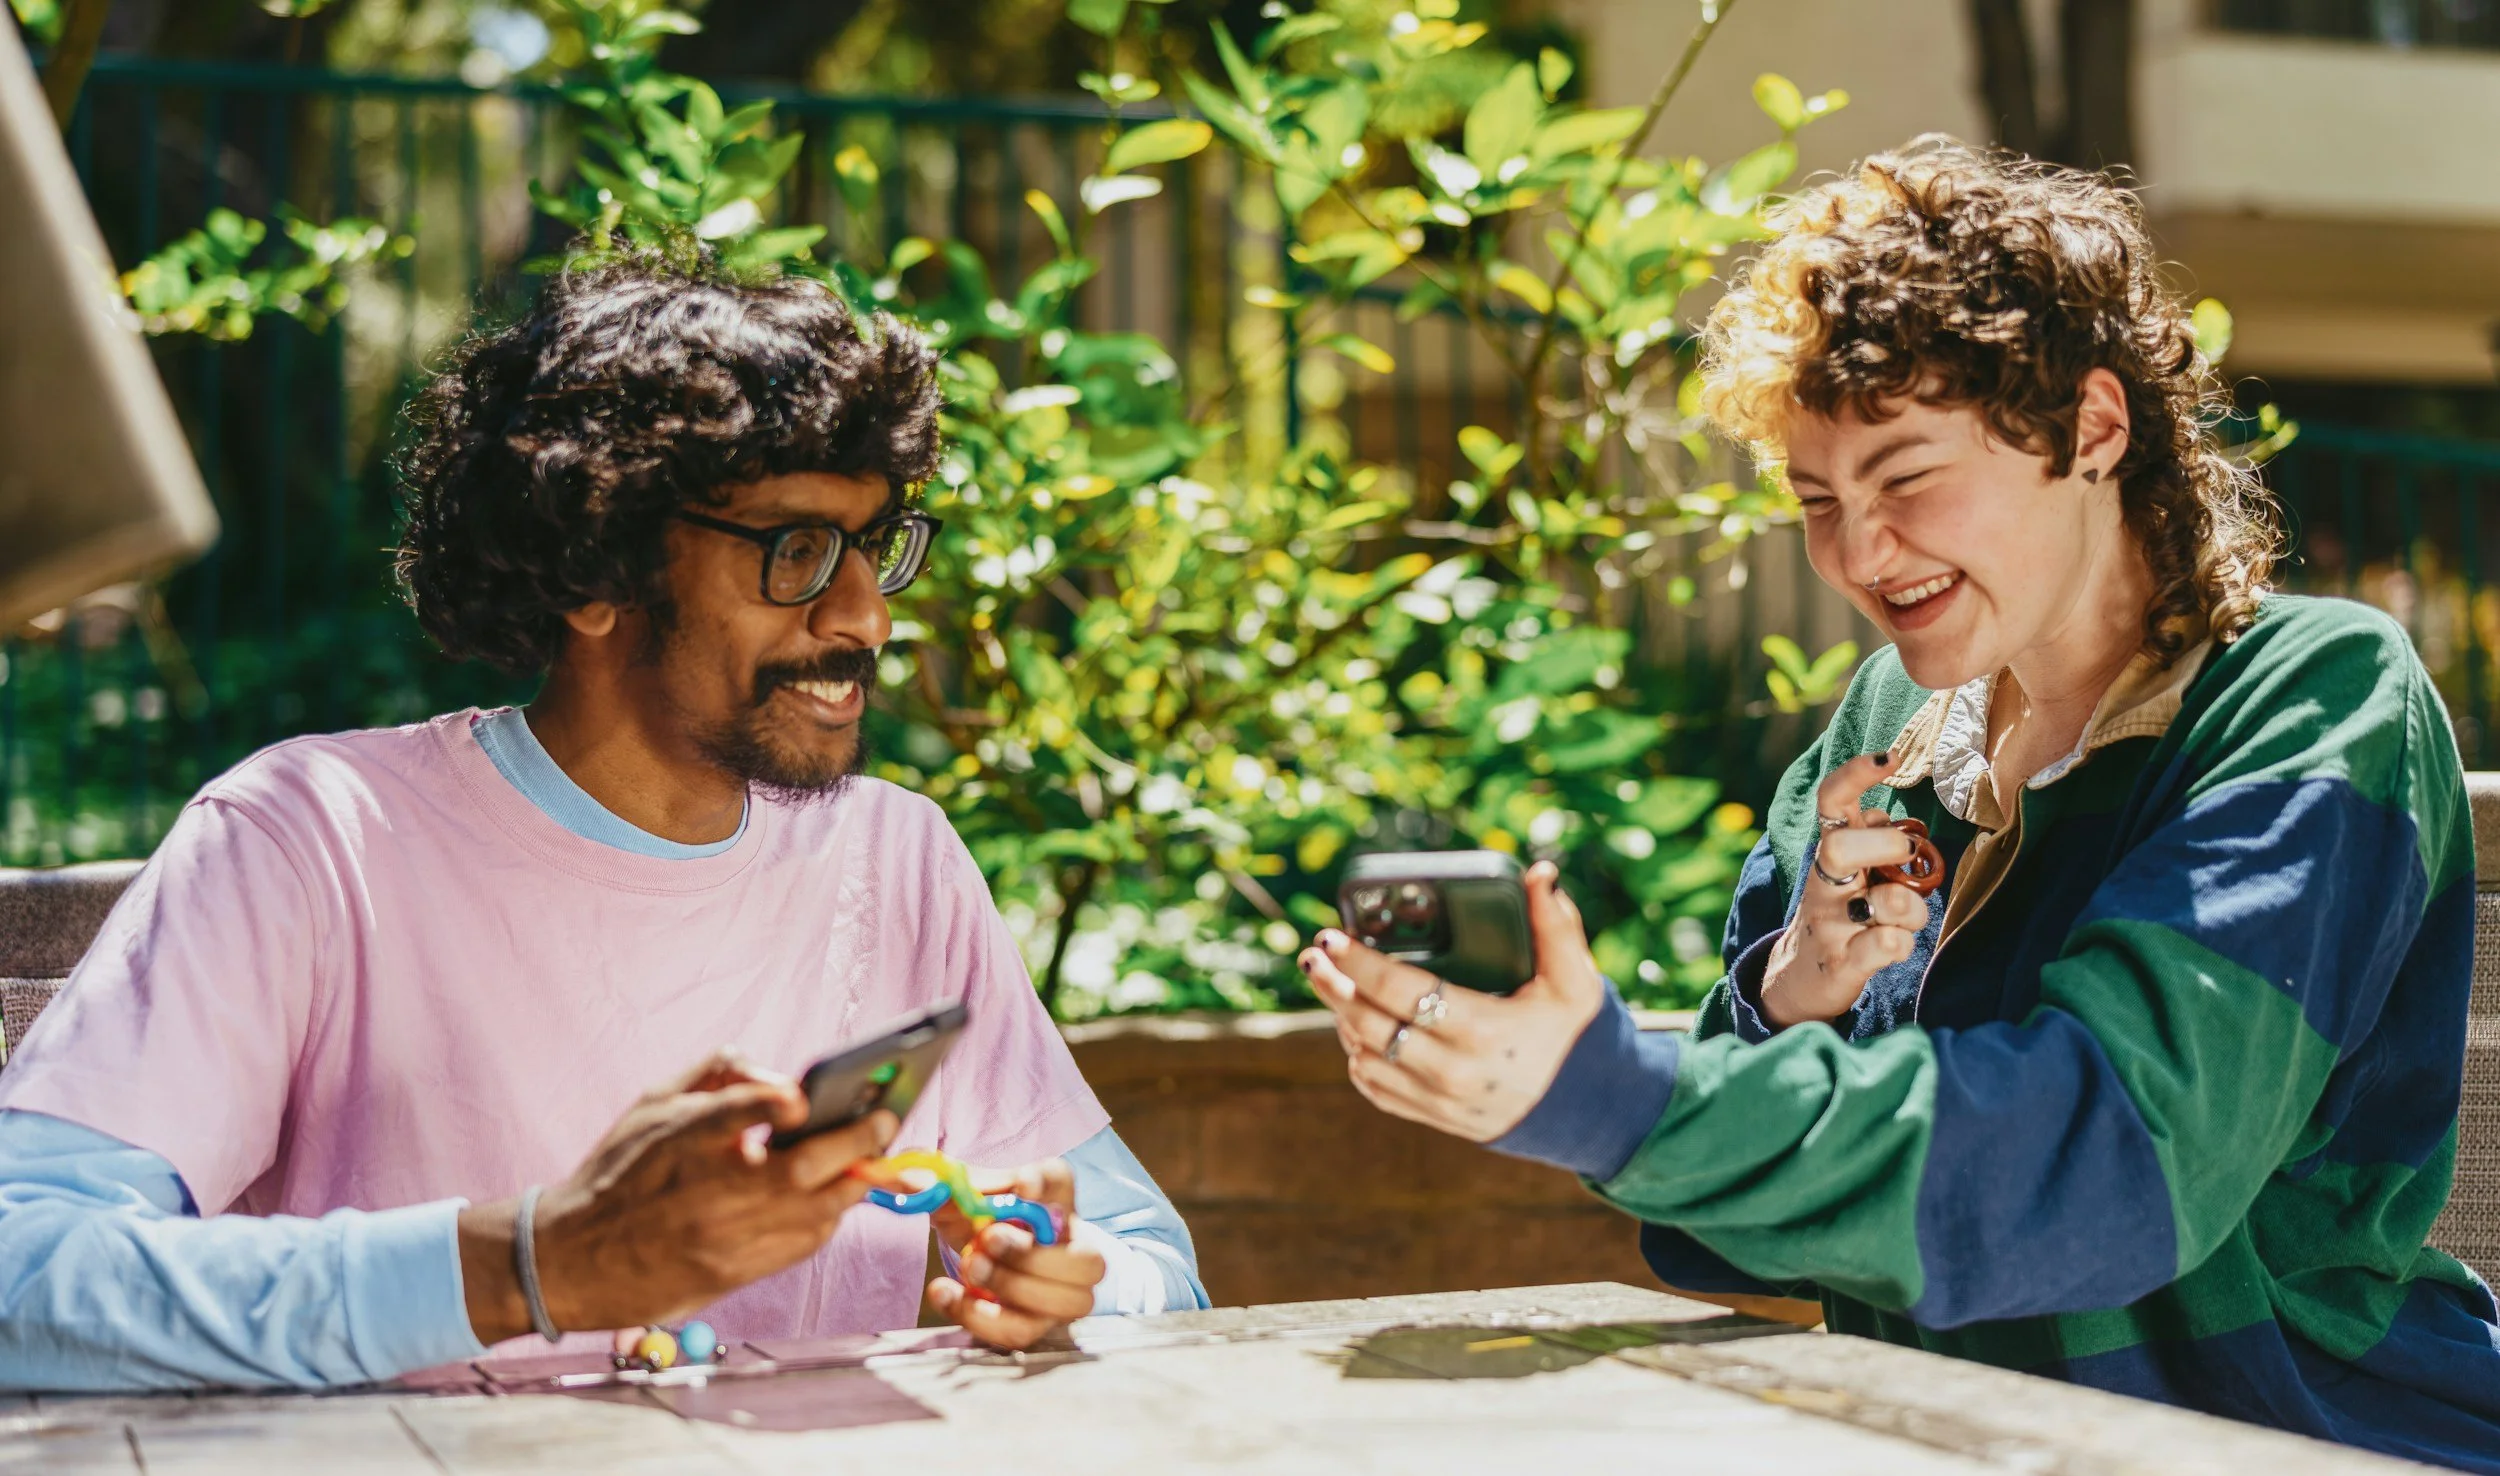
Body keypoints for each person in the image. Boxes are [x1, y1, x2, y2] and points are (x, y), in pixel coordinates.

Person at [1300, 138, 2500, 1472]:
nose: (1860, 556)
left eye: (1909, 479)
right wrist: (1801, 984)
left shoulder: (2314, 693)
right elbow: (1713, 1235)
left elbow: (2112, 1168)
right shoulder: (1889, 727)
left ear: (2096, 429)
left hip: (2296, 1443)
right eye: (1818, 499)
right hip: (1945, 1438)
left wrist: (1613, 1097)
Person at [0, 254, 1206, 1391]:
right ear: (594, 572)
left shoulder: (895, 858)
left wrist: (1065, 1283)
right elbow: (25, 1282)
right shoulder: (313, 842)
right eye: (795, 549)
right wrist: (531, 1264)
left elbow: (1154, 1260)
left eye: (872, 545)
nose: (864, 618)